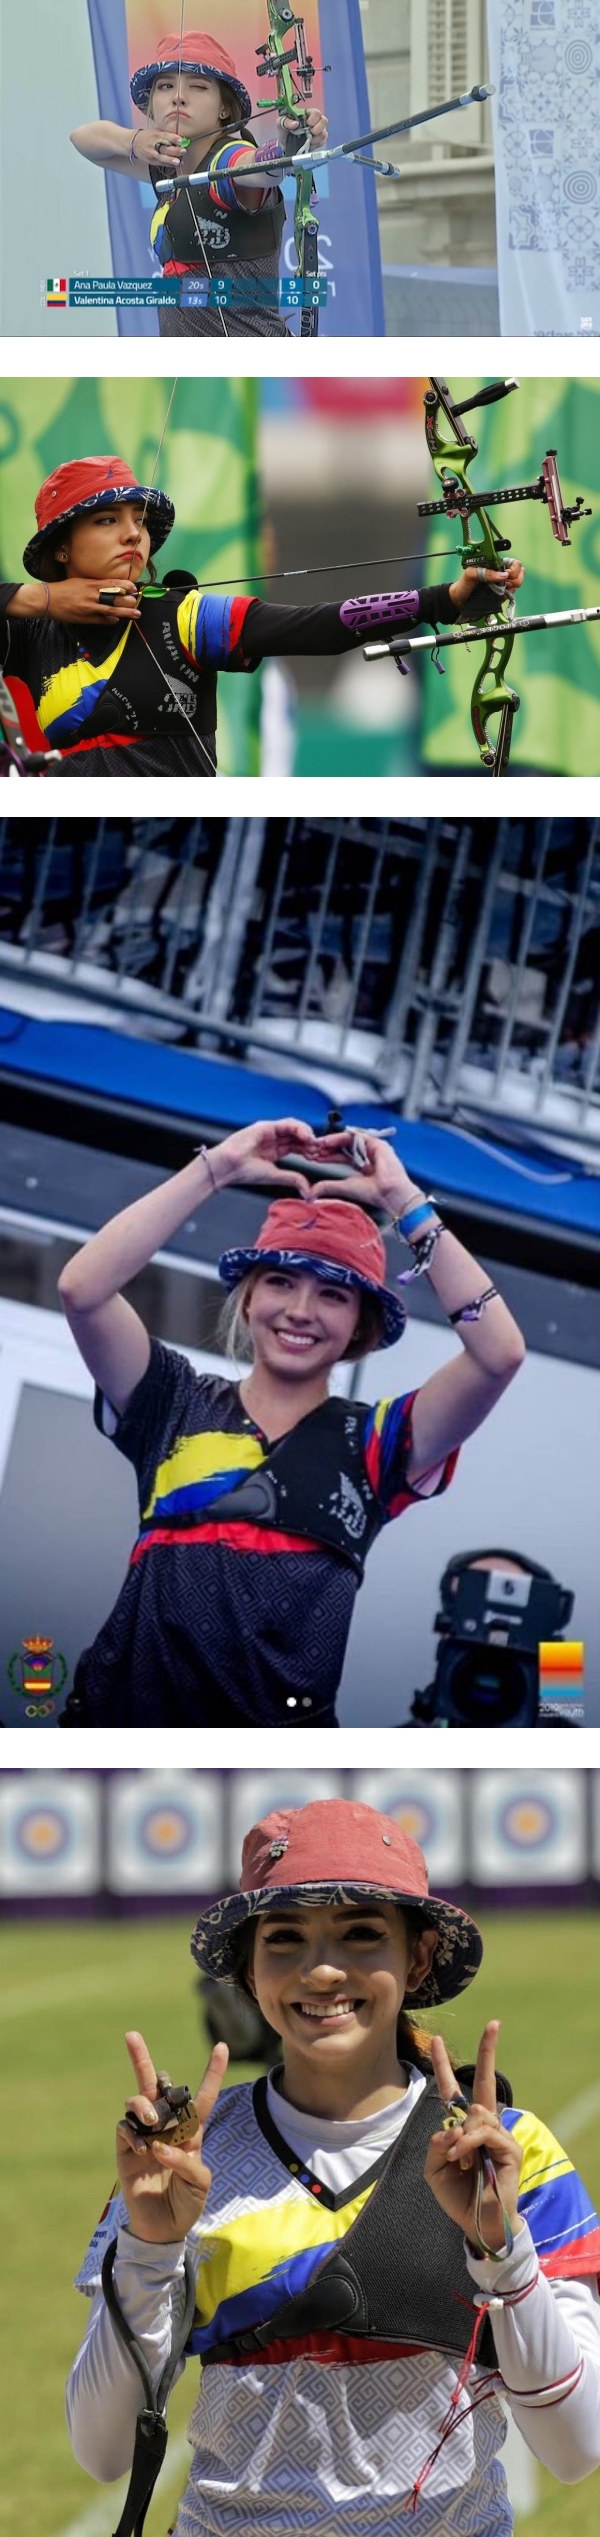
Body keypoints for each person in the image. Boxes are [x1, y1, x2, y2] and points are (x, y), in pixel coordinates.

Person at [66, 1798, 600, 2537]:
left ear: (417, 1957)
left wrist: (502, 2252)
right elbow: (101, 2452)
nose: (321, 1970)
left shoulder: (512, 2155)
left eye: (361, 1934)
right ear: (248, 1970)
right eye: (284, 1938)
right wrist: (151, 2246)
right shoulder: (181, 2161)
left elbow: (576, 2450)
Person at [57, 1115, 526, 1726]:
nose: (301, 1311)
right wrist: (217, 1168)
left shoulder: (378, 1444)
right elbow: (82, 1289)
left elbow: (499, 1353)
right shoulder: (172, 1402)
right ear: (249, 1297)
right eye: (280, 1281)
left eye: (333, 1294)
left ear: (359, 1324)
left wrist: (403, 1199)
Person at [0, 457, 526, 781]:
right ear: (62, 548)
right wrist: (40, 601)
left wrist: (444, 600)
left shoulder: (180, 615)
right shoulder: (30, 635)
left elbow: (316, 625)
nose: (133, 533)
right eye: (107, 520)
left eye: (139, 520)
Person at [70, 29, 329, 340]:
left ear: (224, 108)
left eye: (198, 86)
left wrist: (288, 146)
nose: (178, 96)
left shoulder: (228, 159)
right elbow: (82, 139)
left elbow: (261, 168)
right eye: (166, 86)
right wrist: (135, 141)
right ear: (152, 105)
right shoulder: (167, 167)